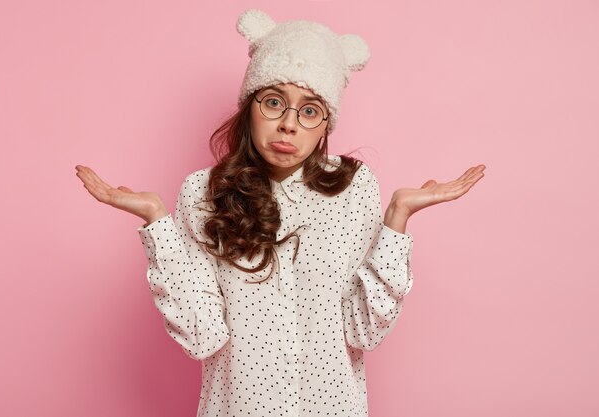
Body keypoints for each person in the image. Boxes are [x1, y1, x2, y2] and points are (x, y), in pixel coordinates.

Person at [75, 9, 485, 417]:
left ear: (326, 124)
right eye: (274, 102)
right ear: (249, 106)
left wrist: (397, 219)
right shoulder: (202, 192)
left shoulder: (355, 187)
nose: (289, 124)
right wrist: (157, 222)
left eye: (309, 110)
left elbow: (364, 329)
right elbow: (201, 337)